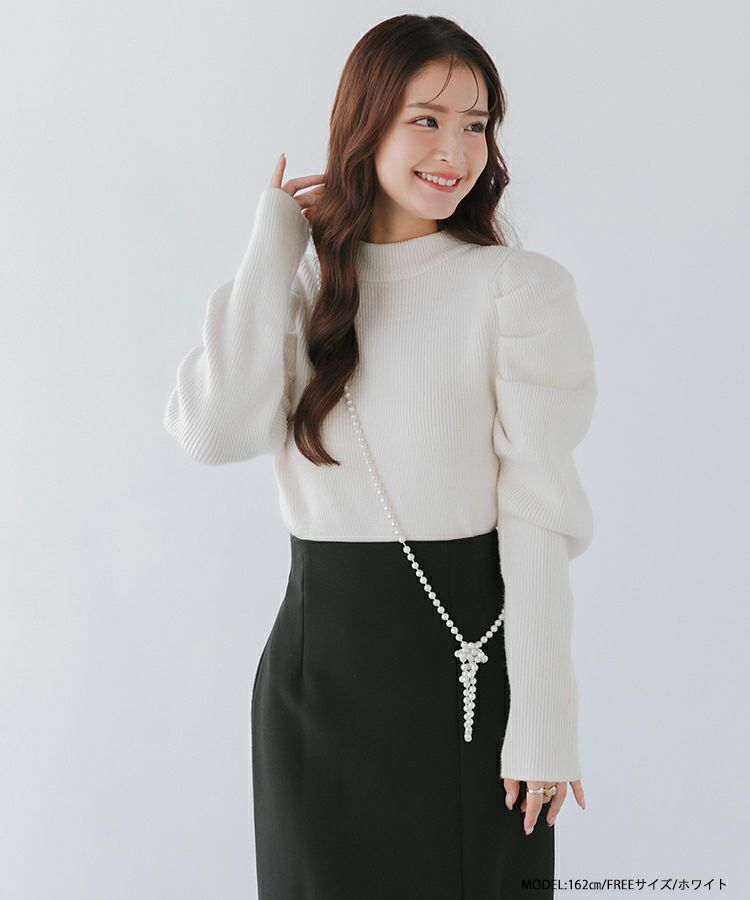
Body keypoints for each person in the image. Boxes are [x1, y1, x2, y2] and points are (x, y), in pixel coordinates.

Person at [163, 14, 595, 899]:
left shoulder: (516, 290)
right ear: (366, 125)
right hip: (317, 689)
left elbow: (538, 512)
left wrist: (546, 722)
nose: (456, 151)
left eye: (476, 124)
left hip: (468, 677)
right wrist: (275, 240)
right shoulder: (299, 288)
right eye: (425, 119)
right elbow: (214, 431)